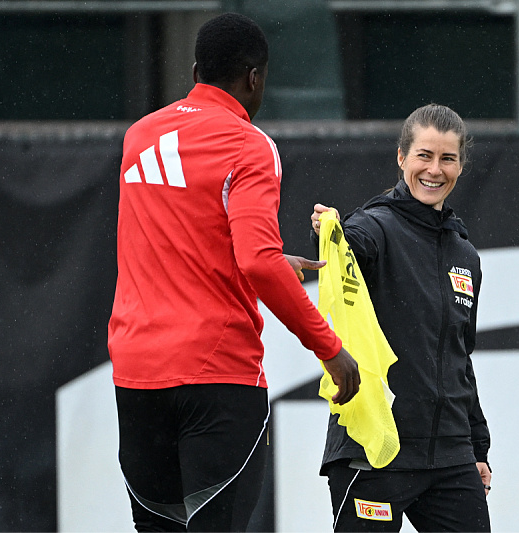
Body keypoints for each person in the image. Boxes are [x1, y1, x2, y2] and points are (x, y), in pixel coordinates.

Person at [108, 13, 360, 532]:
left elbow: (166, 243)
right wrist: (331, 351)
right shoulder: (249, 144)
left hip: (138, 375)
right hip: (216, 374)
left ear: (197, 69)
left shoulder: (139, 136)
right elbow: (257, 261)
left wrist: (260, 260)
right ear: (254, 78)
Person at [311, 104, 492, 532]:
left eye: (447, 158)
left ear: (461, 166)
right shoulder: (376, 225)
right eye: (424, 156)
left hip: (450, 456)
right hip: (374, 452)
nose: (434, 170)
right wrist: (330, 235)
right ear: (401, 158)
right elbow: (351, 244)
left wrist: (477, 447)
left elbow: (459, 360)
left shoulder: (464, 254)